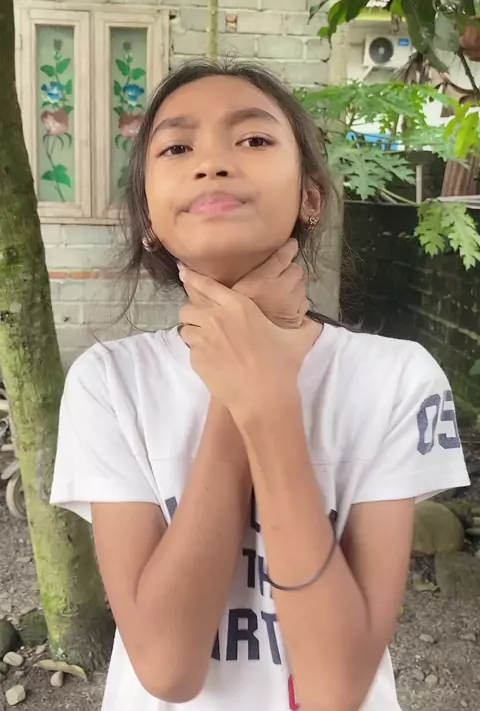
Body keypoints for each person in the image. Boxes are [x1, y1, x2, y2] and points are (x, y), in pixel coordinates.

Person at [51, 59, 470, 711]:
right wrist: (238, 393)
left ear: (311, 197)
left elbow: (334, 689)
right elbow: (167, 669)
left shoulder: (394, 379)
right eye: (177, 148)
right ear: (148, 218)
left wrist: (270, 405)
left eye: (253, 139)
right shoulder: (108, 384)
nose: (212, 164)